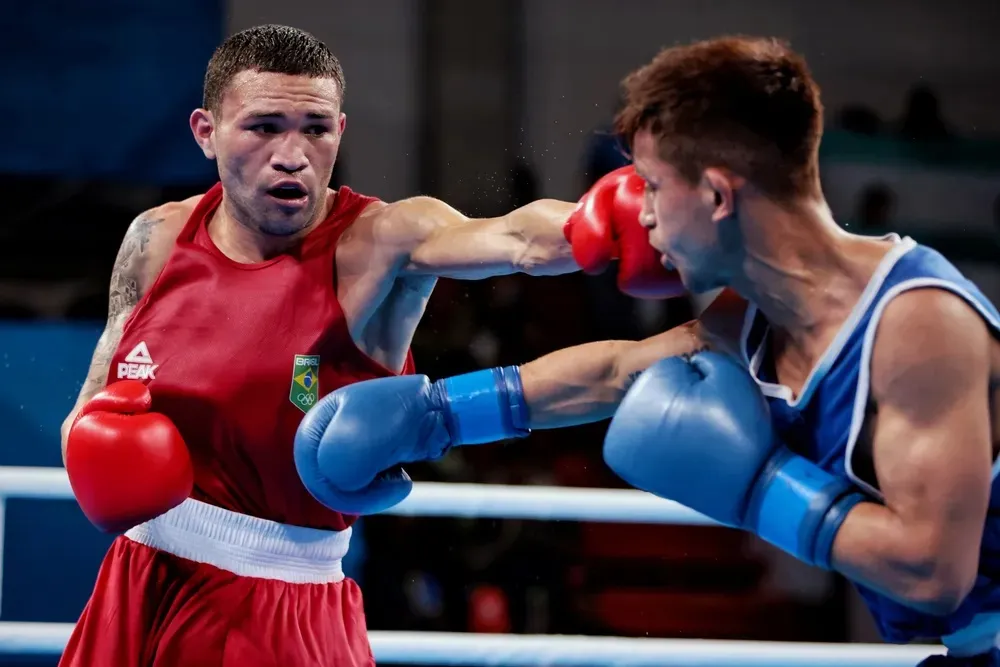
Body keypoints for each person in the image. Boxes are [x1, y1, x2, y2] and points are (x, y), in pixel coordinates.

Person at [301, 36, 1000, 666]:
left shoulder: (917, 324)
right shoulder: (759, 313)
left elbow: (932, 570)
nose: (639, 212)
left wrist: (759, 490)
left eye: (655, 186)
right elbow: (616, 372)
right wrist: (440, 412)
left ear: (719, 194)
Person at [58, 24, 679, 667]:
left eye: (316, 129)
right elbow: (88, 404)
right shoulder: (156, 237)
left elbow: (516, 240)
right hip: (135, 586)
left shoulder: (381, 241)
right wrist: (96, 450)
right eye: (265, 126)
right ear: (206, 132)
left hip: (279, 610)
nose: (292, 153)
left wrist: (610, 225)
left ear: (340, 133)